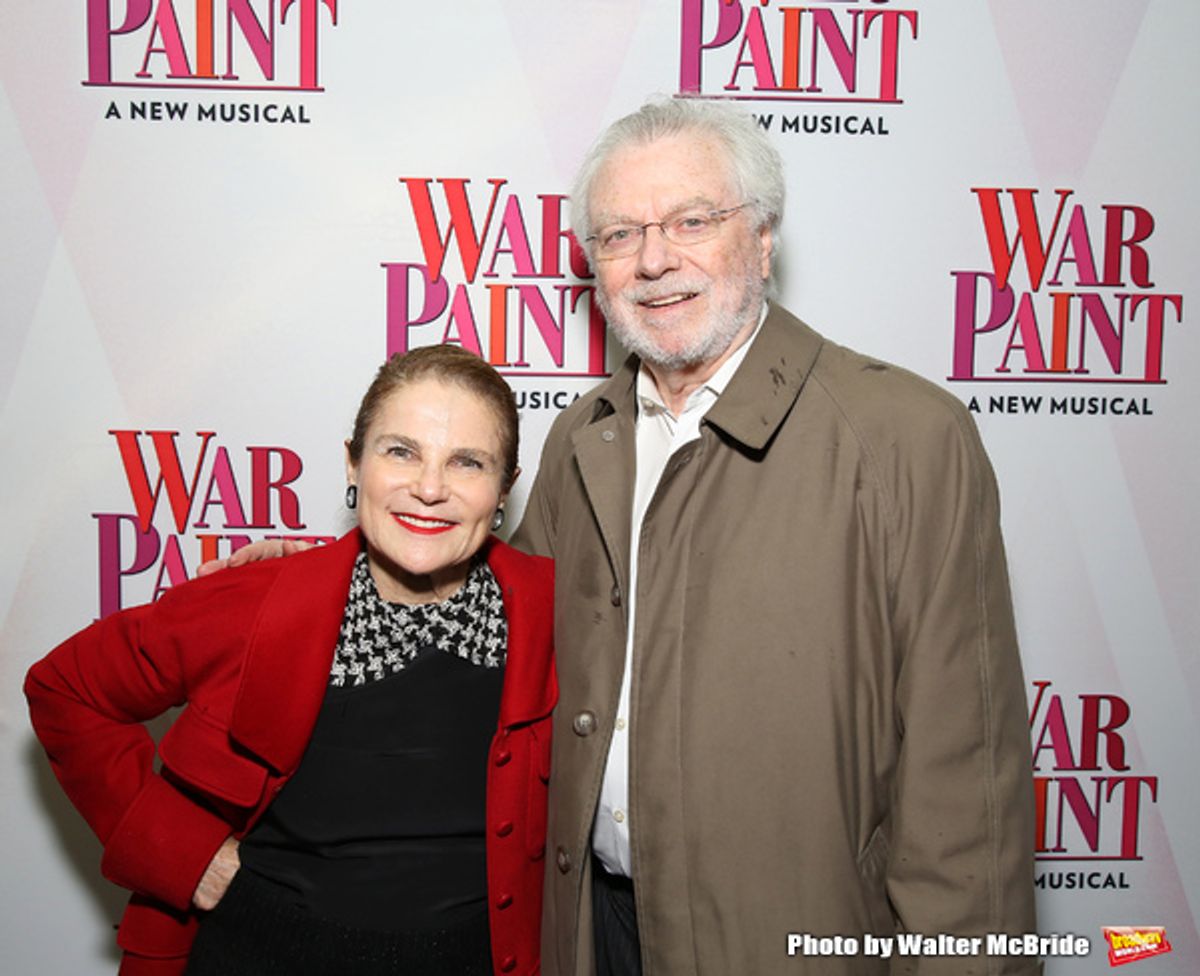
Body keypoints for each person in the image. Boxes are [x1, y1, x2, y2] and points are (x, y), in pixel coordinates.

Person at [509, 98, 1038, 975]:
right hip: (593, 935)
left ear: (761, 239)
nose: (653, 260)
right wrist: (316, 585)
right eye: (617, 235)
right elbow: (494, 638)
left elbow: (966, 784)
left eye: (692, 220)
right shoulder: (583, 437)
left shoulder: (906, 436)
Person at [25, 345, 555, 976]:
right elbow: (63, 690)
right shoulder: (256, 600)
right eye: (400, 451)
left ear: (504, 489)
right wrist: (185, 854)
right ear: (353, 463)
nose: (430, 488)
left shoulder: (560, 613)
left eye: (467, 462)